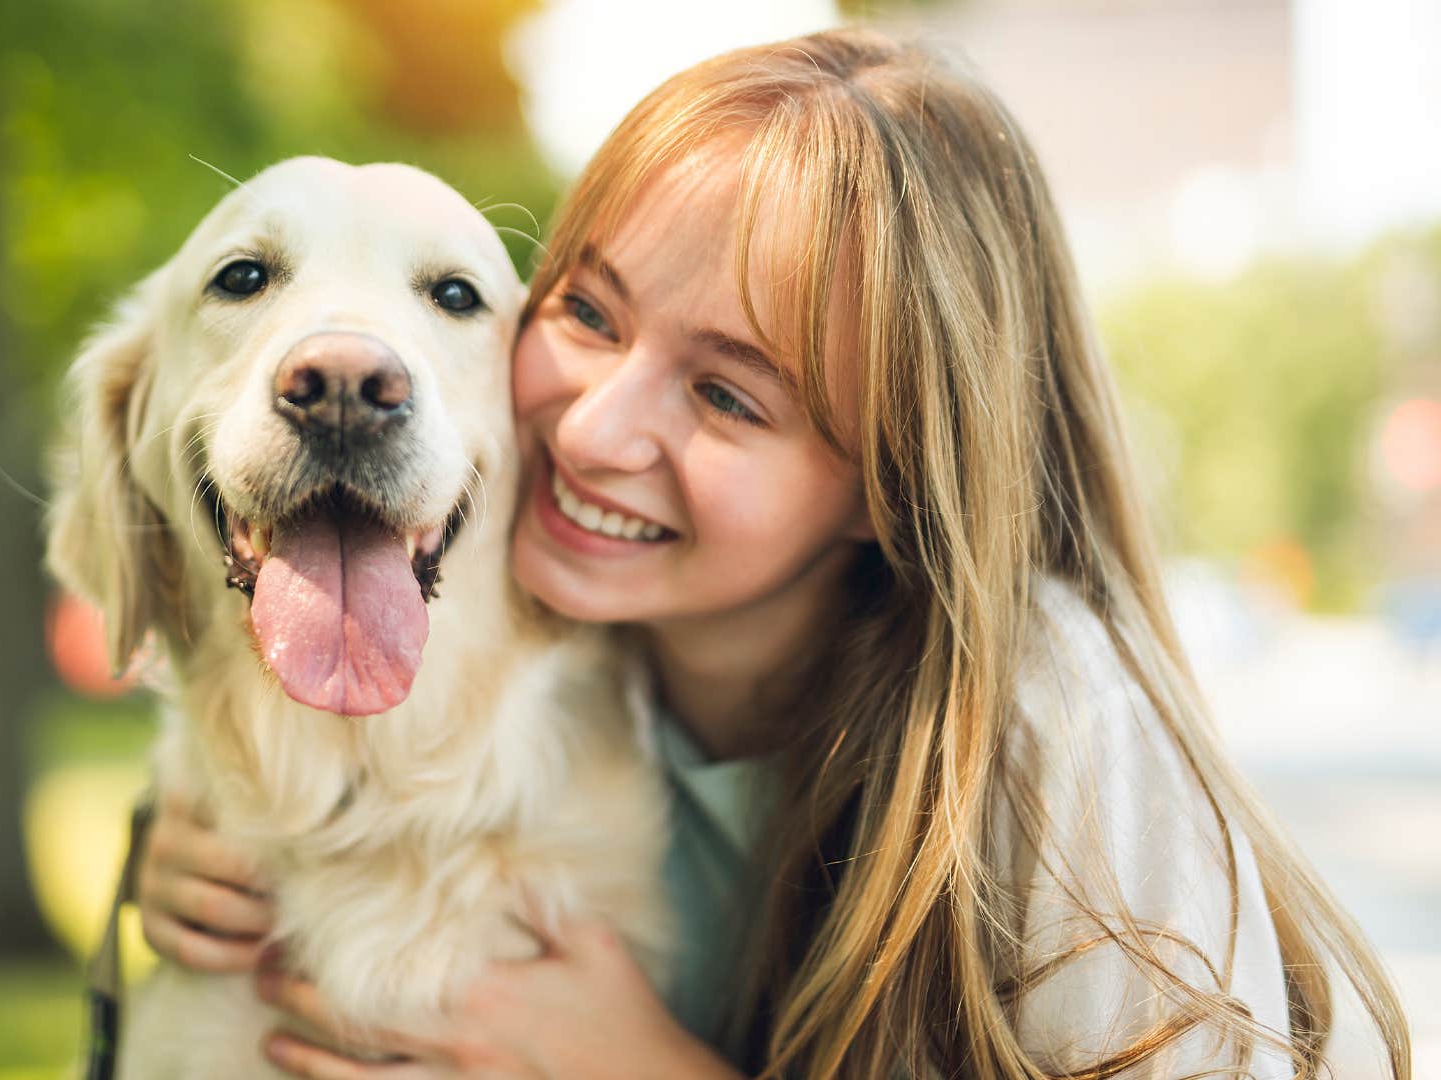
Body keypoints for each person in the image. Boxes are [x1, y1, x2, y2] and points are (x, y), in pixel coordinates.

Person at [127, 28, 1411, 1079]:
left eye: (730, 399)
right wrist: (184, 836)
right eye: (586, 312)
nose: (596, 427)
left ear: (895, 490)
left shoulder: (1055, 737)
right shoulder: (543, 621)